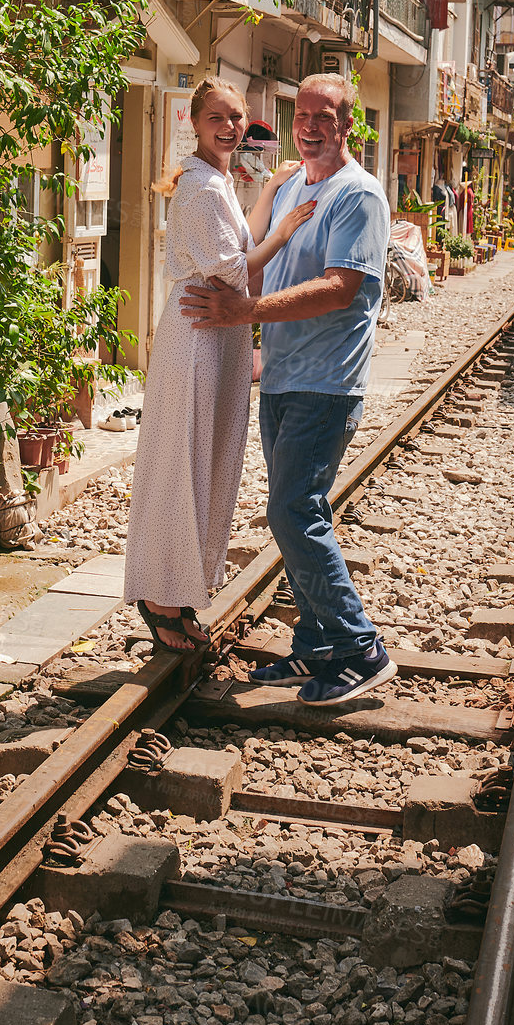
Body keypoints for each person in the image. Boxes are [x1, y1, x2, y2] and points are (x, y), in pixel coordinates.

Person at [181, 74, 395, 703]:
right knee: (293, 512)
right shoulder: (294, 186)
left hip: (326, 382)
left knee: (293, 510)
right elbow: (256, 256)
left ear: (346, 124)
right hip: (280, 376)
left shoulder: (358, 196)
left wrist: (243, 316)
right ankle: (317, 646)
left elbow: (340, 288)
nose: (308, 125)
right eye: (299, 114)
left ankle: (360, 646)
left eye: (322, 115)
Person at [124, 78, 315, 652]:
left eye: (238, 118)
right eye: (219, 118)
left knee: (205, 462)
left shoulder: (217, 181)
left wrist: (269, 194)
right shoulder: (201, 188)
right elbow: (237, 269)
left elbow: (238, 245)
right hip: (198, 337)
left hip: (219, 334)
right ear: (196, 121)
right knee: (183, 462)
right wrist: (284, 230)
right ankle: (160, 597)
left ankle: (177, 593)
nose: (231, 127)